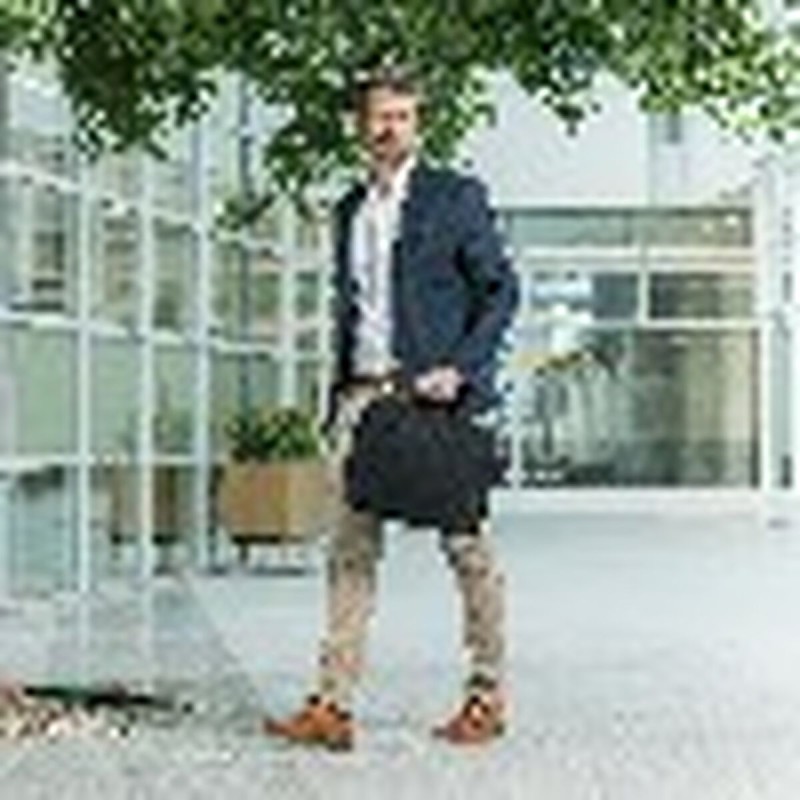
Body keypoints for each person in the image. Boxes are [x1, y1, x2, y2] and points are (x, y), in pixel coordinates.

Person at [262, 64, 519, 750]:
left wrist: (461, 370)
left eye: (402, 116)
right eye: (379, 116)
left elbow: (501, 291)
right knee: (349, 551)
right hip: (362, 401)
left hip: (434, 403)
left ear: (418, 124)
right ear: (360, 124)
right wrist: (337, 402)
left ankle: (486, 697)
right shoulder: (351, 209)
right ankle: (332, 705)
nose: (390, 128)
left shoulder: (454, 198)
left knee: (468, 549)